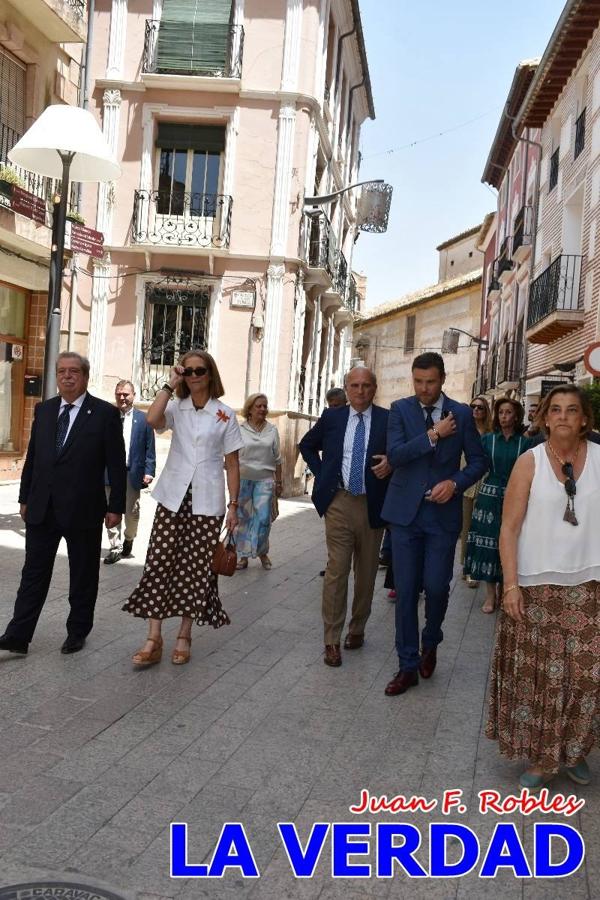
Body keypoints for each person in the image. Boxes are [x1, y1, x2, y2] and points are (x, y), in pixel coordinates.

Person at [486, 385, 600, 789]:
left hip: (590, 586)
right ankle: (539, 758)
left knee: (587, 676)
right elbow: (509, 528)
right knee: (541, 678)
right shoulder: (529, 462)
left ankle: (575, 750)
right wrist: (511, 585)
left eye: (572, 410)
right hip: (536, 586)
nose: (564, 416)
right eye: (556, 410)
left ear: (585, 418)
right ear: (545, 418)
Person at [0, 352, 126, 656]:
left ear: (84, 376)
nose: (67, 376)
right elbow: (34, 457)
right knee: (33, 574)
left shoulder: (104, 414)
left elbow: (116, 464)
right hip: (42, 507)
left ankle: (77, 631)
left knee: (82, 574)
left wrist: (116, 507)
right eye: (61, 372)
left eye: (73, 371)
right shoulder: (44, 411)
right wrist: (24, 497)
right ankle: (18, 635)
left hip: (83, 508)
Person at [123, 350, 242, 667]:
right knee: (159, 562)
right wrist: (168, 383)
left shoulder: (225, 414)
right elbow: (150, 420)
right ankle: (153, 637)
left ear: (210, 373)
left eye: (199, 370)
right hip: (173, 495)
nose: (193, 375)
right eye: (187, 371)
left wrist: (233, 506)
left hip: (208, 500)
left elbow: (232, 464)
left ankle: (184, 636)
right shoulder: (176, 407)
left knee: (197, 567)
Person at [383, 352, 488, 696]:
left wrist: (455, 483)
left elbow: (479, 461)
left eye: (430, 382)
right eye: (418, 382)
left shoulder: (460, 413)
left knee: (438, 587)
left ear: (442, 379)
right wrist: (433, 435)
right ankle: (407, 665)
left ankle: (431, 641)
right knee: (407, 591)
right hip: (404, 515)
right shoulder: (400, 410)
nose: (424, 389)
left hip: (442, 517)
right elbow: (395, 456)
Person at [299, 367, 391, 667]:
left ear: (374, 388)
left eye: (366, 385)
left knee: (365, 573)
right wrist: (323, 471)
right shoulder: (333, 418)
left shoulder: (388, 420)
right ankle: (331, 639)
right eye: (354, 385)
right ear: (347, 388)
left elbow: (400, 454)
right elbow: (307, 445)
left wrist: (390, 464)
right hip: (338, 501)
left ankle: (357, 628)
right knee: (337, 569)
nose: (360, 391)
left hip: (372, 504)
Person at [463, 397, 530, 612]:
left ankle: (507, 591)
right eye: (501, 413)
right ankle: (490, 596)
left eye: (509, 412)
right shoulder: (488, 440)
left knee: (512, 544)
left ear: (517, 415)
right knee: (489, 546)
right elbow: (477, 466)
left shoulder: (525, 443)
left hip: (516, 495)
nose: (504, 417)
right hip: (489, 497)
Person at [104, 380, 156, 564]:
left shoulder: (144, 419)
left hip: (132, 472)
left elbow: (150, 448)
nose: (122, 397)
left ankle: (129, 538)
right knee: (111, 509)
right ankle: (115, 547)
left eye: (126, 394)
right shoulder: (108, 417)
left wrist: (149, 470)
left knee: (132, 512)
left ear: (134, 395)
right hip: (110, 473)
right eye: (118, 394)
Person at [236, 393, 282, 571]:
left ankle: (262, 552)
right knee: (243, 519)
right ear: (250, 409)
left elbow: (278, 458)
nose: (263, 409)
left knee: (263, 519)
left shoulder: (272, 430)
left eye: (265, 406)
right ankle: (243, 556)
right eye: (259, 406)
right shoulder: (239, 429)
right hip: (243, 479)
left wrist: (279, 482)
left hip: (265, 480)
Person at [460, 395, 492, 588]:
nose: (476, 410)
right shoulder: (464, 429)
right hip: (467, 484)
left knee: (482, 529)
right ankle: (467, 567)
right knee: (467, 528)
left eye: (481, 407)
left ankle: (480, 566)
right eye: (473, 406)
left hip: (487, 484)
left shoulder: (491, 432)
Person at [319, 386, 348, 576]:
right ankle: (333, 566)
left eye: (336, 405)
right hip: (333, 488)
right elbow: (308, 444)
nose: (332, 409)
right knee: (334, 535)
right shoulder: (327, 419)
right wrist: (320, 470)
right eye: (330, 406)